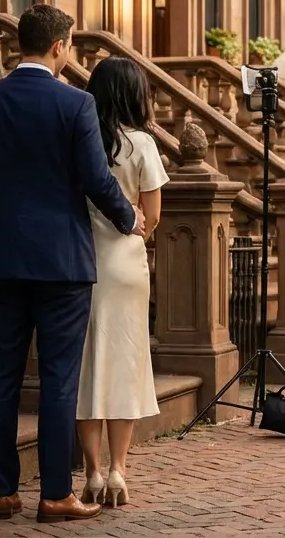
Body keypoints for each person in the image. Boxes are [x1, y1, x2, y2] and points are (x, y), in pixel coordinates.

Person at [0, 4, 139, 524]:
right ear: (58, 46)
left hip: (0, 257)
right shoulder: (75, 105)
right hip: (62, 263)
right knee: (58, 380)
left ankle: (3, 493)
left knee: (1, 376)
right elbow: (98, 181)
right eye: (70, 45)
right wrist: (129, 219)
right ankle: (55, 495)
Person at [75, 56, 169, 507]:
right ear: (135, 94)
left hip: (82, 260)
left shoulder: (81, 138)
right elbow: (152, 217)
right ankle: (118, 470)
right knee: (126, 366)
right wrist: (133, 234)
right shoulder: (143, 145)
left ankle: (91, 472)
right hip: (127, 265)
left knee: (89, 367)